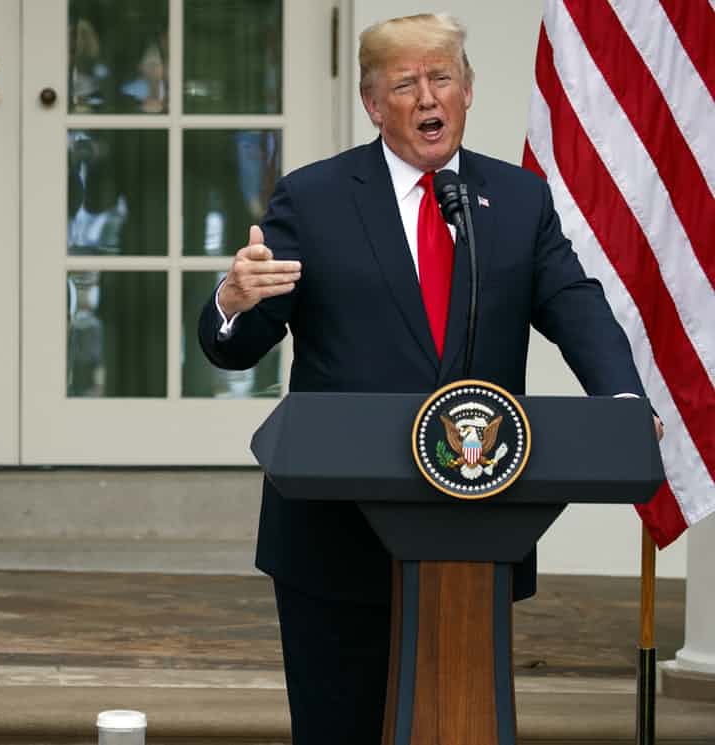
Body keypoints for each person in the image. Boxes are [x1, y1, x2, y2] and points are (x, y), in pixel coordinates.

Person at [197, 13, 661, 743]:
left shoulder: (517, 201)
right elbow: (238, 344)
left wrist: (624, 401)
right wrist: (232, 301)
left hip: (471, 533)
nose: (426, 97)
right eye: (405, 84)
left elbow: (574, 304)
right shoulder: (314, 199)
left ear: (468, 91)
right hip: (334, 538)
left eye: (440, 78)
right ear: (374, 104)